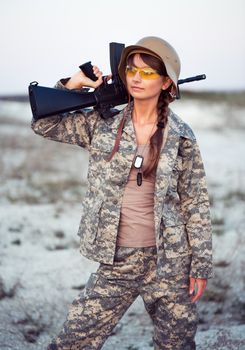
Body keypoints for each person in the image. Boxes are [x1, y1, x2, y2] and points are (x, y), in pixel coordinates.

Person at [31, 36, 213, 350]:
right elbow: (44, 125)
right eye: (131, 70)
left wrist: (200, 265)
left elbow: (194, 201)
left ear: (167, 82)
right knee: (73, 342)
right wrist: (71, 85)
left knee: (177, 344)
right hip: (116, 260)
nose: (136, 78)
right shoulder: (101, 124)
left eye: (147, 73)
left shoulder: (181, 135)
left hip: (169, 261)